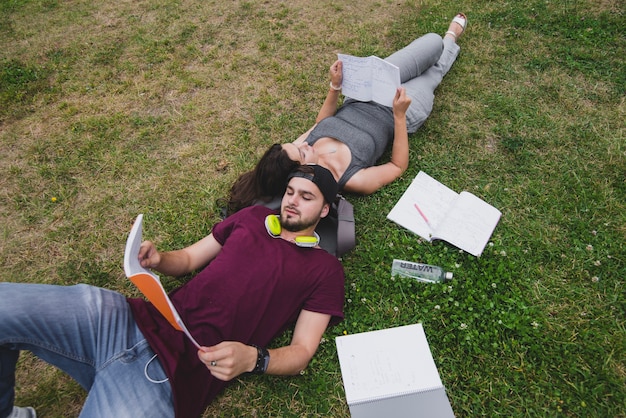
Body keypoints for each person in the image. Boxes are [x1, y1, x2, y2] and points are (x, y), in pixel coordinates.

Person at [0, 165, 345, 418]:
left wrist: (253, 359)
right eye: (289, 192)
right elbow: (191, 258)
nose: (292, 201)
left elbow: (302, 351)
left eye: (306, 196)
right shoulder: (253, 217)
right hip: (123, 320)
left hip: (169, 376)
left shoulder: (325, 269)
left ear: (325, 209)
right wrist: (159, 259)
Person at [227, 13, 467, 214]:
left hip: (366, 91)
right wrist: (400, 116)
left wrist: (335, 86)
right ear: (300, 172)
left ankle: (442, 42)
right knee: (433, 72)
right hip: (400, 110)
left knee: (431, 43)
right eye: (301, 150)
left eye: (297, 144)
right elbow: (397, 166)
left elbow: (321, 123)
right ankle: (452, 37)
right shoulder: (352, 180)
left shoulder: (301, 148)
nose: (305, 143)